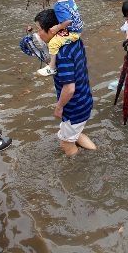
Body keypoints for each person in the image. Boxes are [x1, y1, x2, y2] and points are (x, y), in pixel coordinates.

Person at [34, 9, 96, 156]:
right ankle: (95, 153)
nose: (37, 34)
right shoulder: (74, 39)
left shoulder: (62, 54)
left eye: (39, 30)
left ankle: (76, 170)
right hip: (84, 99)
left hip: (74, 107)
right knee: (75, 133)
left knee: (66, 143)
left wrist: (59, 107)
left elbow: (69, 88)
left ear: (51, 30)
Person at [36, 0, 84, 77]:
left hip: (73, 32)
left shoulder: (59, 6)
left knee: (53, 43)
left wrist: (57, 27)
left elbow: (67, 21)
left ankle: (52, 67)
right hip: (78, 28)